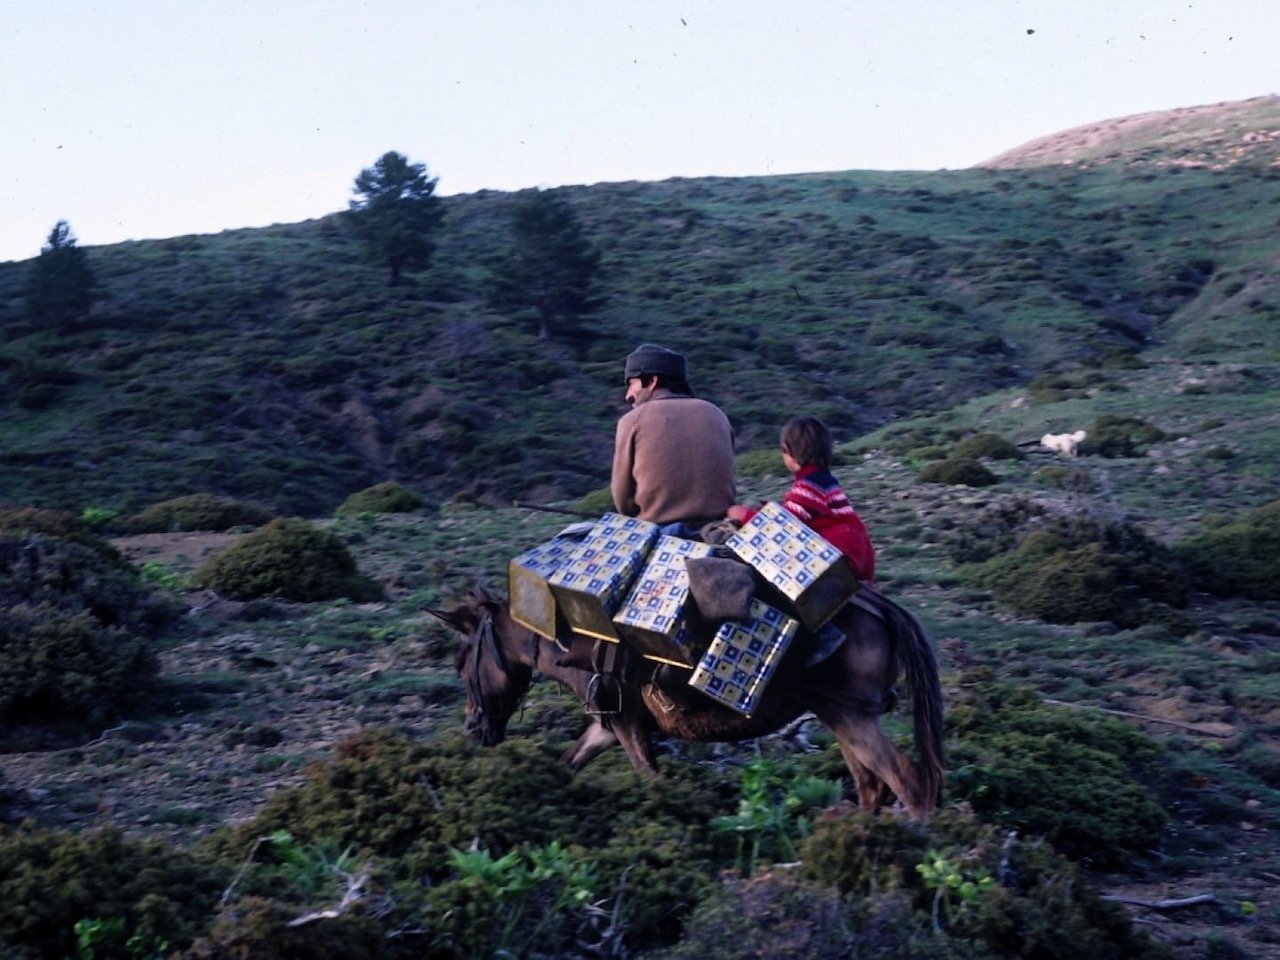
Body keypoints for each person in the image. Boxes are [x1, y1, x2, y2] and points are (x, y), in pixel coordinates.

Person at [728, 415, 876, 584]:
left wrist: (744, 515)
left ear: (788, 452)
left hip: (840, 557)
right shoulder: (825, 482)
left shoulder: (808, 487)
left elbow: (783, 527)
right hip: (859, 551)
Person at [611, 343, 736, 529]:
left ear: (652, 381)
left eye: (631, 383)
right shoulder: (716, 413)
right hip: (717, 528)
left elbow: (623, 503)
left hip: (660, 532)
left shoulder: (632, 421)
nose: (628, 395)